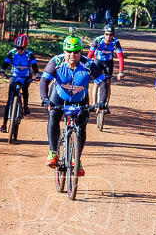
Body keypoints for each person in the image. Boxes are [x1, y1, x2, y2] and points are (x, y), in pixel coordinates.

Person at [39, 35, 106, 175]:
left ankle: (77, 160)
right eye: (68, 51)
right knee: (53, 116)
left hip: (80, 99)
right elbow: (44, 81)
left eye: (76, 52)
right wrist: (45, 99)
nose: (72, 55)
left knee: (81, 128)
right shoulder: (56, 62)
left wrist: (101, 102)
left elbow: (102, 83)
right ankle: (53, 152)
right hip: (58, 96)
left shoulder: (88, 64)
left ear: (81, 52)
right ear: (64, 51)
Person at [0, 34, 39, 132]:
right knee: (10, 100)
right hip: (14, 76)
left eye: (22, 48)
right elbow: (6, 62)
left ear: (25, 47)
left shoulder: (29, 54)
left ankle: (25, 106)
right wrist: (2, 70)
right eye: (18, 48)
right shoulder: (12, 53)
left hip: (25, 76)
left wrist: (37, 74)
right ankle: (4, 124)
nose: (20, 50)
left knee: (25, 88)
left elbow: (34, 65)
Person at [87, 24, 125, 114]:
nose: (108, 36)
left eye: (111, 35)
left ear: (113, 35)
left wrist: (121, 71)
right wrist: (86, 67)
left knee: (108, 84)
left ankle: (106, 105)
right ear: (104, 34)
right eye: (106, 34)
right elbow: (90, 55)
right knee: (97, 83)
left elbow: (120, 57)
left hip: (108, 63)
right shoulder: (97, 41)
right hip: (98, 61)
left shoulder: (116, 42)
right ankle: (93, 103)